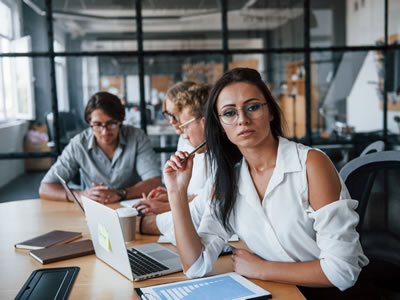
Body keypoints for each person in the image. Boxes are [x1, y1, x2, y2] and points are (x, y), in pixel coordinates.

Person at [163, 68, 369, 297]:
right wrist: (176, 192)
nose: (242, 120)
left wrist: (261, 269)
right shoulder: (228, 179)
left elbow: (342, 271)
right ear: (219, 124)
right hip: (280, 291)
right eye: (229, 113)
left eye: (252, 107)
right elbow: (196, 265)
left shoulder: (310, 165)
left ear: (270, 111)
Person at [39, 91, 162, 203]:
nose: (104, 132)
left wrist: (120, 194)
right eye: (97, 125)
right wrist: (80, 195)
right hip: (93, 209)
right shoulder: (78, 144)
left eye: (111, 124)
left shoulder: (136, 137)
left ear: (120, 121)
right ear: (89, 123)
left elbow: (154, 182)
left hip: (131, 209)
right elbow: (45, 188)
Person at [134, 83, 210, 241]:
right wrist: (172, 194)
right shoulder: (189, 140)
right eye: (168, 116)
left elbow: (205, 205)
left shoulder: (224, 156)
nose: (173, 123)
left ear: (203, 121)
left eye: (175, 116)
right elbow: (201, 196)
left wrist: (167, 205)